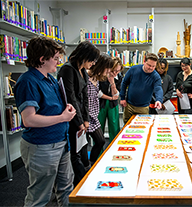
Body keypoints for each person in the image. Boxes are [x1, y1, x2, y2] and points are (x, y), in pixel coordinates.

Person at [13, 36, 76, 207]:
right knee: (40, 196)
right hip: (42, 146)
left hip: (61, 142)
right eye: (55, 58)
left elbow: (53, 107)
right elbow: (29, 119)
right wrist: (63, 117)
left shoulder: (50, 79)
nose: (58, 62)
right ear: (42, 59)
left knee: (66, 188)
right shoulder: (28, 82)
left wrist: (67, 108)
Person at [57, 41, 100, 186]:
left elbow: (85, 96)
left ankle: (81, 182)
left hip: (82, 117)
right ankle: (80, 185)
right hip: (72, 118)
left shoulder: (83, 72)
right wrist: (79, 122)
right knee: (75, 154)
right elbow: (71, 98)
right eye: (92, 60)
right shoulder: (68, 69)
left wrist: (86, 120)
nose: (93, 64)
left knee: (83, 150)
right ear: (84, 56)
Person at [86, 54, 114, 166]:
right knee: (84, 145)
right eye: (107, 68)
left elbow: (97, 93)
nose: (109, 71)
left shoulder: (96, 79)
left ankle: (91, 163)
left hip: (94, 116)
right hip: (86, 116)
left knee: (101, 141)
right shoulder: (86, 77)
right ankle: (86, 166)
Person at [120, 53, 163, 124]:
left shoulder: (156, 76)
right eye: (149, 65)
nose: (151, 68)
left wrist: (159, 100)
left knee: (142, 128)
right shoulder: (133, 69)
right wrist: (122, 98)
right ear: (144, 62)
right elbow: (124, 83)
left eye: (153, 66)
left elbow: (158, 88)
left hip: (143, 107)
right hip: (129, 105)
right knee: (127, 126)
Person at [98, 57, 124, 142]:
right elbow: (98, 93)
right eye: (114, 71)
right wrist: (110, 97)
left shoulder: (119, 77)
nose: (116, 73)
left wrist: (112, 82)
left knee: (114, 127)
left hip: (113, 104)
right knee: (99, 129)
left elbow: (116, 94)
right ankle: (99, 153)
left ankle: (113, 149)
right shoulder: (101, 75)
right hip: (101, 103)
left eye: (118, 71)